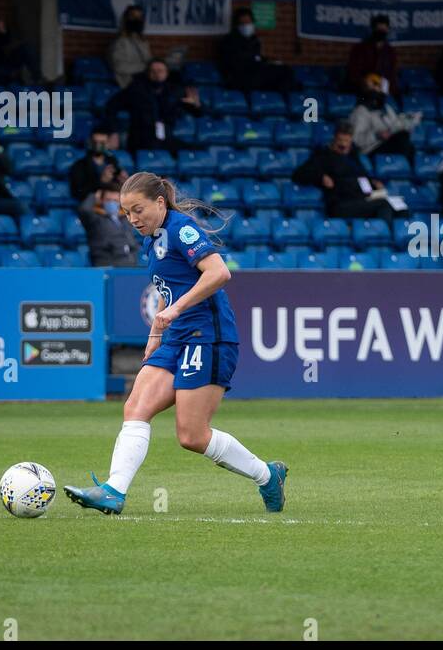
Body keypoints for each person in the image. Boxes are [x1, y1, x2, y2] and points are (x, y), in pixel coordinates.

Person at [64, 172, 286, 514]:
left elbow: (219, 273)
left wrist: (178, 308)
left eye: (138, 210)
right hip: (178, 336)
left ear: (159, 202)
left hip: (208, 335)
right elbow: (171, 288)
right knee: (136, 407)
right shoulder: (152, 239)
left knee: (192, 436)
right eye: (126, 213)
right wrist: (157, 330)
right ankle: (113, 491)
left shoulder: (183, 229)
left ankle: (267, 476)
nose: (132, 218)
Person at [292, 121, 398, 224]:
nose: (343, 144)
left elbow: (362, 175)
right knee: (384, 205)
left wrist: (373, 183)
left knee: (400, 208)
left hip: (362, 199)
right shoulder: (323, 156)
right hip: (341, 204)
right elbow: (299, 174)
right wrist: (321, 177)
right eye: (340, 140)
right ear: (334, 139)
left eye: (346, 141)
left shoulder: (353, 156)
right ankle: (381, 235)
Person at [103, 59, 203, 152]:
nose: (157, 74)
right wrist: (113, 132)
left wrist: (197, 105)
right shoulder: (136, 90)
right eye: (153, 71)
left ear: (167, 73)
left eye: (160, 71)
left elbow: (198, 113)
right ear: (148, 74)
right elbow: (111, 107)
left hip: (166, 139)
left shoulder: (175, 91)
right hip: (141, 140)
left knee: (197, 152)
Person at [348, 74, 420, 167]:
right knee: (402, 141)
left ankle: (409, 173)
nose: (379, 94)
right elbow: (356, 140)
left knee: (406, 142)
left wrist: (406, 123)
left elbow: (395, 125)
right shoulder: (360, 112)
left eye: (380, 89)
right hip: (370, 149)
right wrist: (377, 135)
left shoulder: (386, 108)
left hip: (387, 144)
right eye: (375, 90)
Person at [218, 6, 294, 94]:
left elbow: (257, 57)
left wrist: (269, 61)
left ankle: (285, 97)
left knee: (285, 70)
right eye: (243, 23)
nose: (246, 26)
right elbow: (236, 62)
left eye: (248, 22)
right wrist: (256, 61)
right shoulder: (229, 41)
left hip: (255, 74)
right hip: (239, 77)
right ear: (237, 25)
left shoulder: (254, 40)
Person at [77, 182, 138, 266]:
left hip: (129, 266)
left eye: (115, 200)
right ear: (101, 200)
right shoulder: (96, 219)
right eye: (108, 200)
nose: (112, 203)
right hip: (106, 266)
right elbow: (84, 209)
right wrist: (96, 194)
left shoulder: (125, 218)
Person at [345, 14, 399, 95]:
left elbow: (392, 75)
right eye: (378, 29)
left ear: (387, 30)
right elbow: (353, 72)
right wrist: (365, 82)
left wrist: (384, 86)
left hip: (383, 93)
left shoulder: (390, 52)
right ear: (373, 29)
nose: (381, 32)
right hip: (362, 92)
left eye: (383, 29)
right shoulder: (359, 48)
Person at [68, 129, 129, 201]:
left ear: (107, 143)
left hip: (112, 199)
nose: (98, 146)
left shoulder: (112, 161)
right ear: (90, 142)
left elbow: (116, 182)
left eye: (102, 143)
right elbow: (79, 192)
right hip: (91, 201)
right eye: (95, 142)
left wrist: (123, 180)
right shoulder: (80, 165)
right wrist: (101, 182)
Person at [108, 5, 152, 89]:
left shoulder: (143, 41)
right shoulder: (119, 41)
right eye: (133, 16)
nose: (137, 20)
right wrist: (146, 67)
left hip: (145, 79)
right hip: (128, 82)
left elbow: (148, 61)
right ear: (126, 19)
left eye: (140, 17)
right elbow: (119, 67)